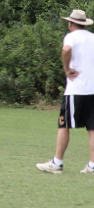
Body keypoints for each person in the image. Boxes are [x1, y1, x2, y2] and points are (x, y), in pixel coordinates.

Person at [37, 9, 94, 174]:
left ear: (70, 24)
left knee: (63, 124)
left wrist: (67, 68)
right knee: (92, 128)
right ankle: (92, 165)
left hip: (76, 89)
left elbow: (66, 50)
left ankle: (57, 163)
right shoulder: (92, 38)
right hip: (92, 90)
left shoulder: (71, 36)